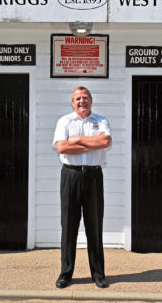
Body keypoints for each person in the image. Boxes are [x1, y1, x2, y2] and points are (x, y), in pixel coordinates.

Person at [52, 86, 112, 289]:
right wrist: (91, 143)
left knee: (94, 225)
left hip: (94, 176)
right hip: (70, 175)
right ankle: (66, 274)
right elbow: (61, 147)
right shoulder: (64, 121)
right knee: (69, 226)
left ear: (91, 100)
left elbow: (105, 141)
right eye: (77, 98)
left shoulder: (101, 120)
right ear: (72, 102)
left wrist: (76, 139)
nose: (82, 101)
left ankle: (98, 274)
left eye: (85, 97)